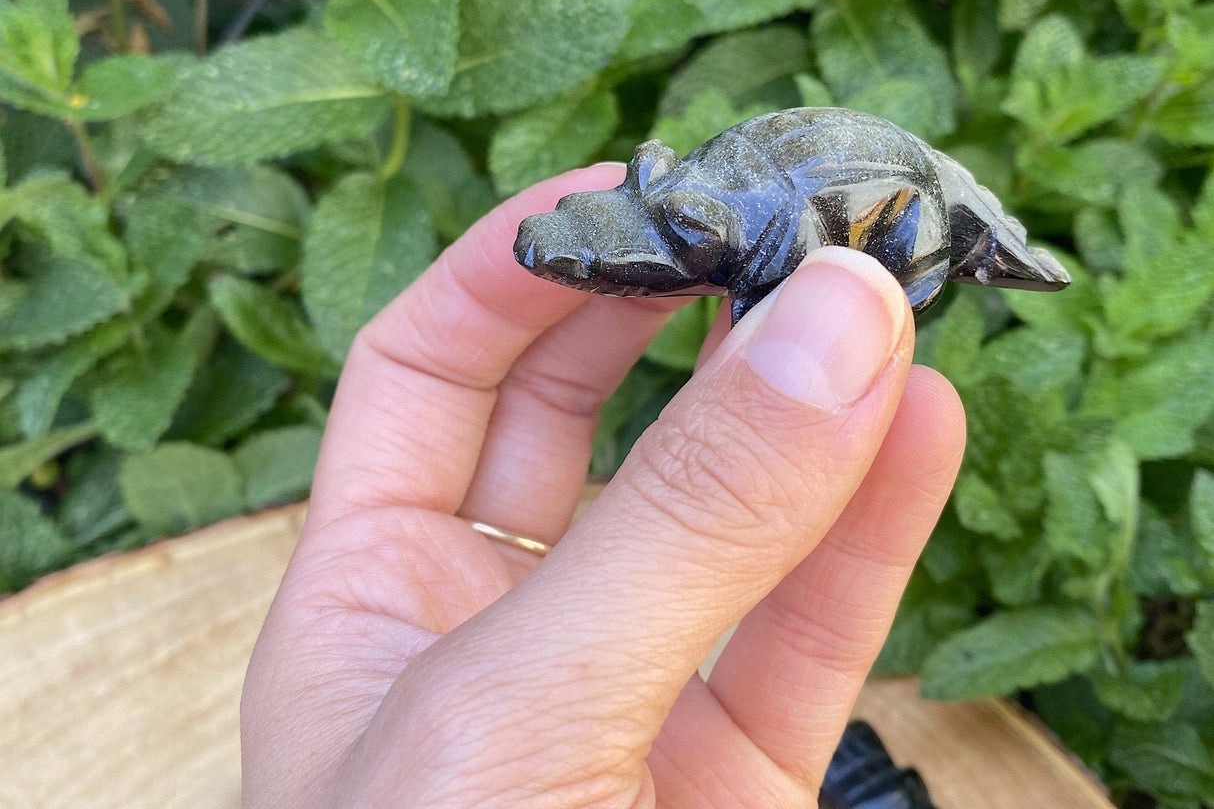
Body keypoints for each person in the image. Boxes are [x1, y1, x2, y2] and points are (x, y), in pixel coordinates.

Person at [241, 163, 967, 808]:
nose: (562, 274)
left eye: (581, 267)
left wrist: (784, 329)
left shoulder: (699, 231)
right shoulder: (673, 213)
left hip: (867, 193)